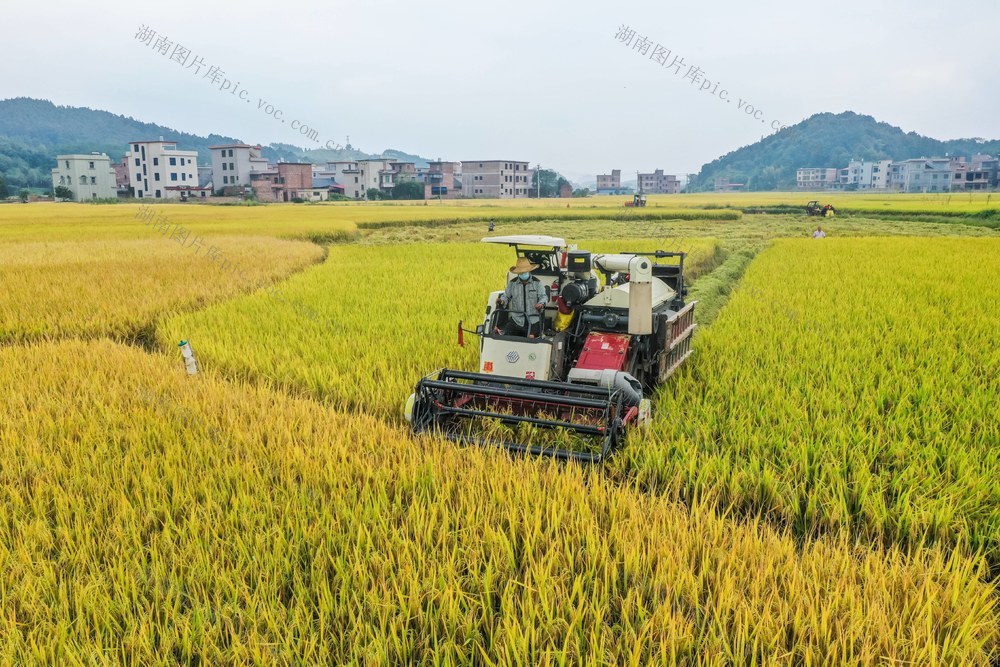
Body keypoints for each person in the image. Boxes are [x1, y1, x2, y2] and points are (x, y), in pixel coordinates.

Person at [496, 257, 548, 338]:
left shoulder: (537, 283)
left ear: (529, 271)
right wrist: (502, 301)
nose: (523, 274)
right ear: (518, 273)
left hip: (533, 320)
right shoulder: (512, 284)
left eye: (525, 272)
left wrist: (540, 304)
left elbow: (543, 297)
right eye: (521, 273)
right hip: (517, 320)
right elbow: (506, 296)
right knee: (504, 336)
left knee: (530, 338)